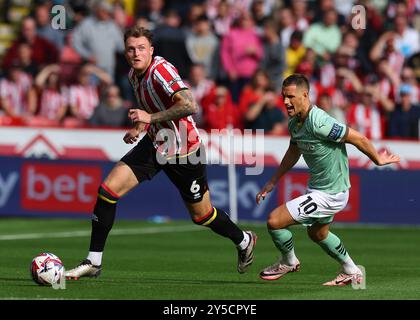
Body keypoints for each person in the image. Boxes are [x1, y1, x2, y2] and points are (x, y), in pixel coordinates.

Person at [65, 26, 257, 279]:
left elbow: (189, 104)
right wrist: (140, 126)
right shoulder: (134, 74)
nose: (136, 53)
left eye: (141, 48)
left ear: (151, 50)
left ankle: (243, 239)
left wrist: (150, 118)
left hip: (185, 151)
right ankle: (93, 262)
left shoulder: (161, 70)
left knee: (202, 216)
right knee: (107, 192)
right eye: (131, 49)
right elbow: (150, 108)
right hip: (156, 144)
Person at [256, 74, 400, 286]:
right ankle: (351, 270)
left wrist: (377, 158)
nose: (285, 101)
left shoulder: (320, 122)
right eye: (283, 96)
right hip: (320, 189)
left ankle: (288, 261)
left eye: (290, 97)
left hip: (330, 193)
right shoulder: (295, 122)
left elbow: (358, 138)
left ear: (305, 95)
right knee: (318, 233)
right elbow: (293, 152)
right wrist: (273, 181)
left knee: (275, 221)